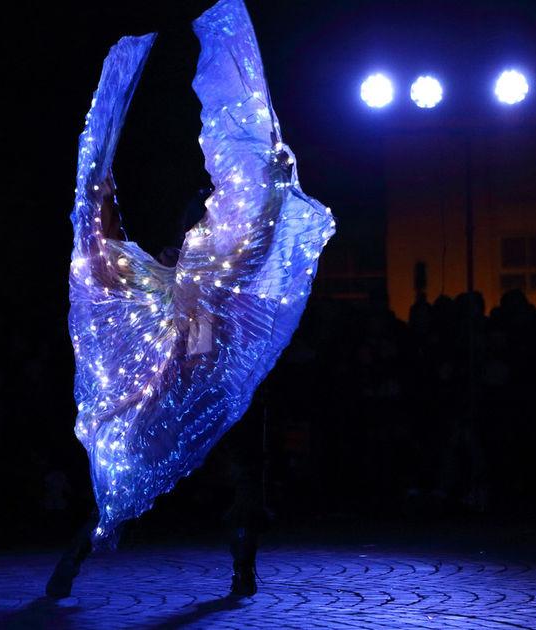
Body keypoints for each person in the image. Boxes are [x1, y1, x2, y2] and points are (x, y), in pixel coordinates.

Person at [49, 0, 333, 598]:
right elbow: (114, 254)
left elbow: (249, 246)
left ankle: (239, 567)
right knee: (142, 474)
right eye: (198, 220)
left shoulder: (208, 276)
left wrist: (277, 194)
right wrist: (100, 186)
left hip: (221, 385)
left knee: (240, 479)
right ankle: (87, 548)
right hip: (195, 385)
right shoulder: (185, 281)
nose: (203, 223)